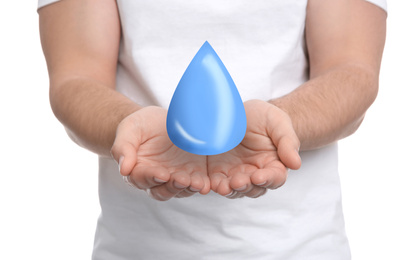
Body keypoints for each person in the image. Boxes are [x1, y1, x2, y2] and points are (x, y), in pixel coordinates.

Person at [38, 0, 387, 259]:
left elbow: (352, 68)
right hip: (134, 247)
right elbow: (75, 77)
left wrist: (281, 122)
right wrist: (128, 127)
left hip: (302, 246)